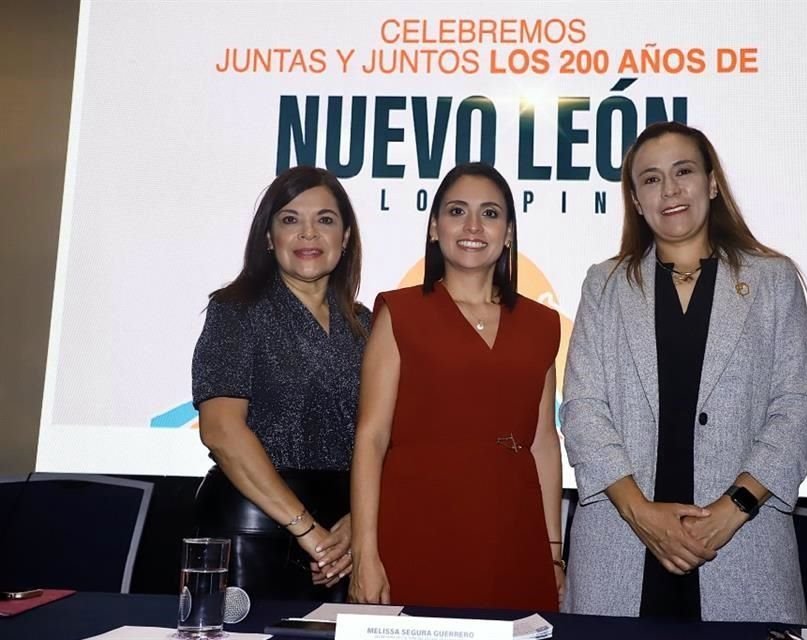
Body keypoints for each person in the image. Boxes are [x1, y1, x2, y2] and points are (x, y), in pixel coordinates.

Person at [560, 122, 807, 623]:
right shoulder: (604, 284)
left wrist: (731, 510)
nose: (671, 190)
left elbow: (799, 408)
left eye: (683, 172)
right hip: (621, 549)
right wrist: (643, 515)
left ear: (711, 182)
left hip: (741, 546)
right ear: (636, 200)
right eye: (651, 179)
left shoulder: (772, 280)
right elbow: (582, 409)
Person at [349, 162, 564, 611]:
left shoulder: (542, 324)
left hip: (514, 538)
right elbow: (371, 438)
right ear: (434, 228)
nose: (472, 226)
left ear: (508, 232)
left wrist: (553, 551)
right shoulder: (399, 312)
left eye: (490, 213)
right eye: (456, 211)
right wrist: (365, 552)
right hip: (416, 530)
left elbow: (543, 442)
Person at [191, 166, 370, 600]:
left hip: (345, 541)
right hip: (253, 531)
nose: (309, 234)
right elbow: (221, 431)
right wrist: (307, 530)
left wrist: (356, 523)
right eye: (290, 219)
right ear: (269, 237)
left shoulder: (369, 325)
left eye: (325, 220)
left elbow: (388, 437)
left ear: (345, 237)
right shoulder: (235, 311)